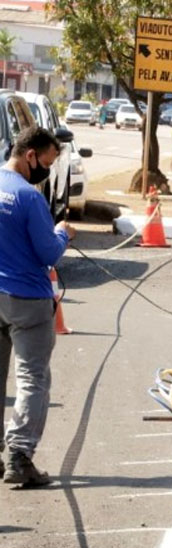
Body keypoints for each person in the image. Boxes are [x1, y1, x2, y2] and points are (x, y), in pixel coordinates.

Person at [0, 126, 75, 487]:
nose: (46, 171)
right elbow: (48, 252)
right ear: (30, 155)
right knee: (33, 378)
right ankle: (19, 455)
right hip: (27, 300)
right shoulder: (28, 199)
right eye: (45, 162)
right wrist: (63, 233)